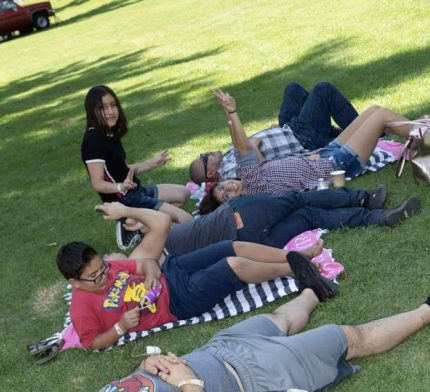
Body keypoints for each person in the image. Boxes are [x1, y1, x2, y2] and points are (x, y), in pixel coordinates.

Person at [30, 262, 430, 392]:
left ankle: (313, 292)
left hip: (219, 350)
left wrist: (145, 369)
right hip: (252, 380)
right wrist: (189, 384)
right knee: (348, 337)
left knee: (277, 318)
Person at [55, 203, 327, 350]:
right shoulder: (82, 308)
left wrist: (150, 274)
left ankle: (294, 255)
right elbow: (91, 343)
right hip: (178, 302)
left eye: (102, 268)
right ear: (75, 283)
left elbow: (146, 264)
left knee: (227, 247)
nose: (103, 276)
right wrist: (120, 327)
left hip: (172, 271)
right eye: (94, 277)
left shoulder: (108, 269)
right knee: (232, 265)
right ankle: (293, 268)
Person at [196, 89, 430, 200]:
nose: (228, 188)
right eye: (226, 196)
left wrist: (234, 127)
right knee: (381, 117)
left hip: (325, 152)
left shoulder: (246, 174)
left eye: (222, 187)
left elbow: (245, 147)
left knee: (374, 110)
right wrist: (231, 113)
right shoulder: (253, 187)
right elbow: (245, 147)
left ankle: (426, 139)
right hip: (338, 164)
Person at [122, 186, 422, 256]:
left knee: (308, 217)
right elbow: (175, 214)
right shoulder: (164, 236)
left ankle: (379, 218)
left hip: (250, 243)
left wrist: (137, 221)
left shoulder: (163, 257)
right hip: (241, 215)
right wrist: (131, 213)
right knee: (299, 200)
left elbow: (176, 216)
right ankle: (364, 198)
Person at [189, 81, 359, 183]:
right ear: (211, 174)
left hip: (286, 130)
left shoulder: (226, 158)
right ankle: (362, 129)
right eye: (205, 158)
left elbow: (238, 140)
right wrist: (254, 145)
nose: (207, 153)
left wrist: (228, 111)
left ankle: (325, 131)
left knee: (292, 89)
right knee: (323, 89)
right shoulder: (229, 174)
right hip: (301, 139)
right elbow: (260, 171)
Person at [81, 85, 191, 225]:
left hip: (134, 190)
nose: (110, 111)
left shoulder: (108, 132)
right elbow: (98, 184)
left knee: (183, 194)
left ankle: (143, 224)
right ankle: (134, 222)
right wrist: (121, 187)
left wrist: (153, 163)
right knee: (186, 219)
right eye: (103, 108)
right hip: (125, 199)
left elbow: (118, 168)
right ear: (92, 112)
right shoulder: (93, 140)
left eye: (113, 105)